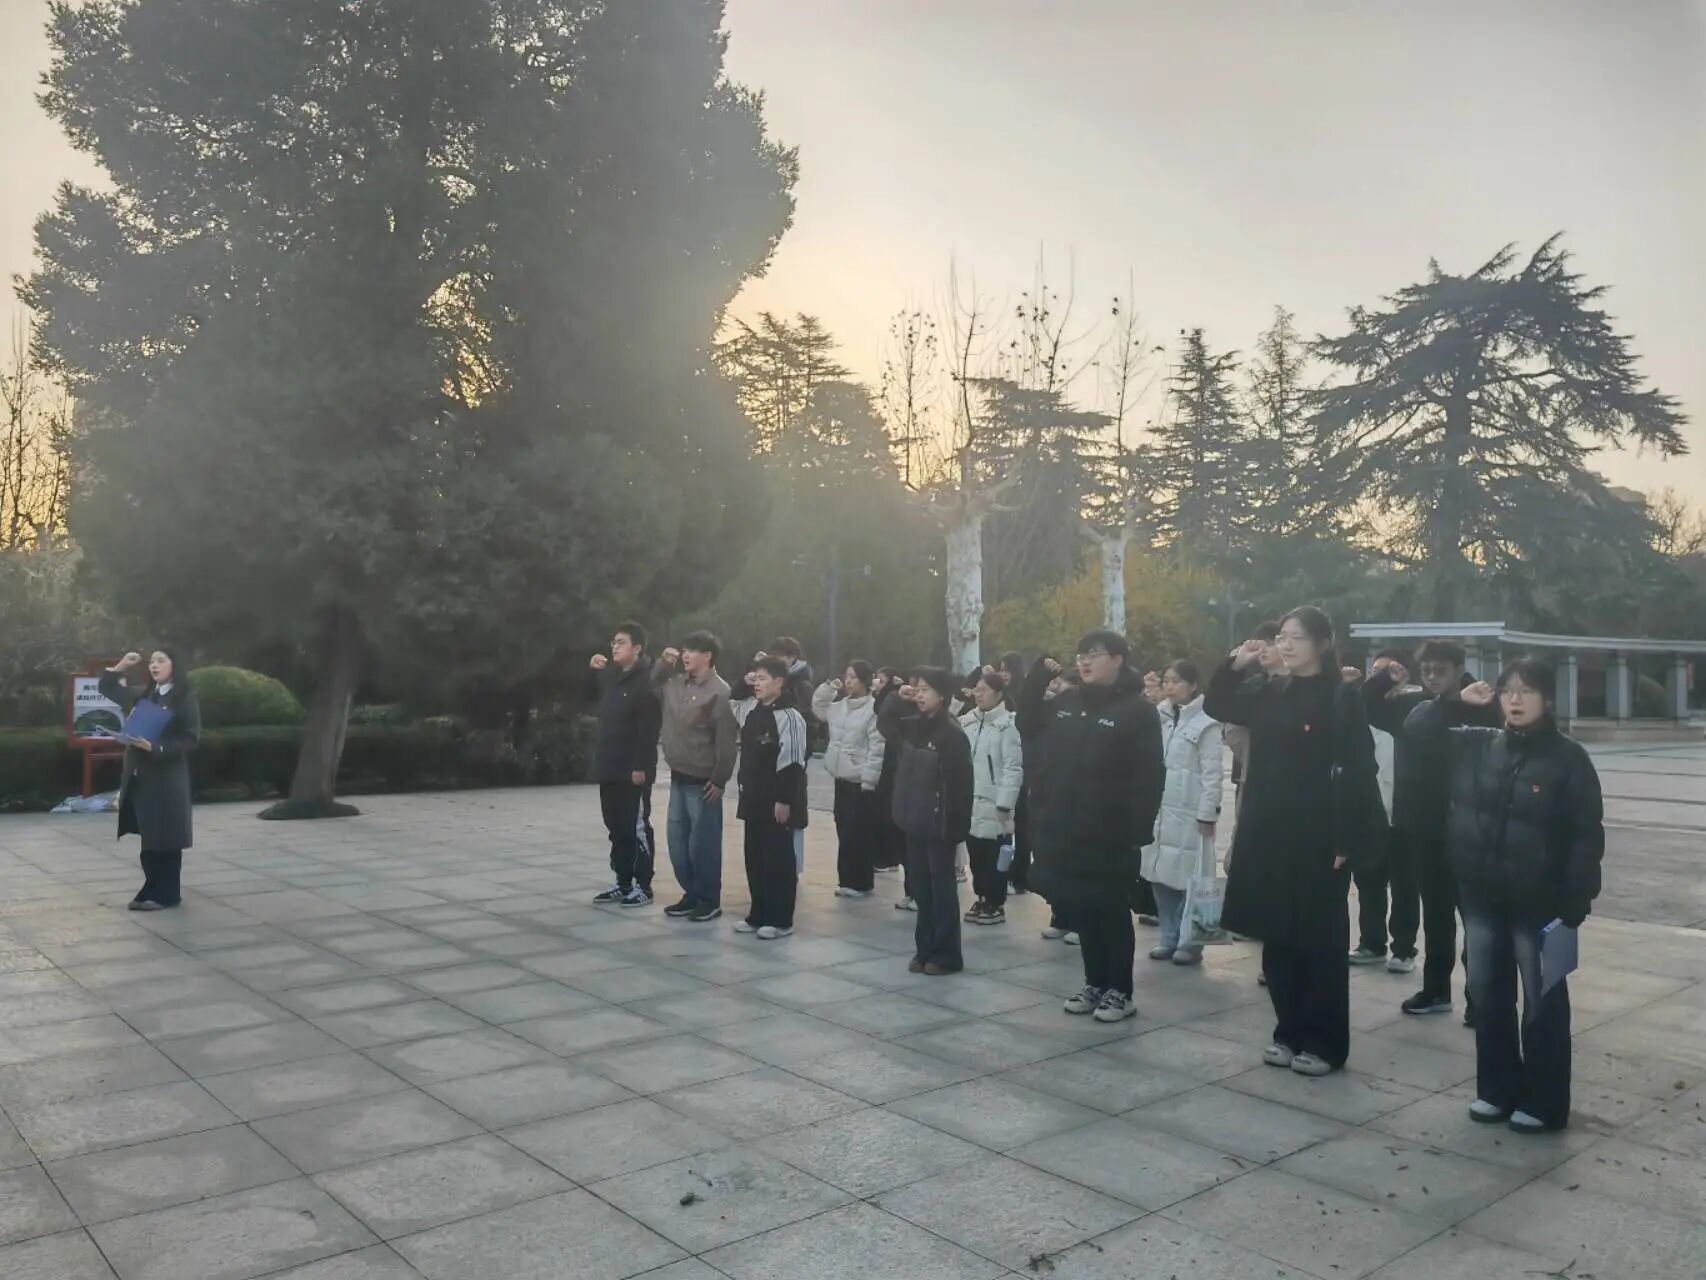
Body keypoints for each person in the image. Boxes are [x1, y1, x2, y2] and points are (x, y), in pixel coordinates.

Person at [1413, 660, 1603, 1133]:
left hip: (1543, 905)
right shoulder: (1477, 744)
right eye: (1507, 690)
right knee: (1488, 995)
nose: (1515, 700)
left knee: (1544, 1002)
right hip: (1482, 897)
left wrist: (1576, 901)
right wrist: (1453, 702)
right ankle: (1496, 1089)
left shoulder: (1569, 759)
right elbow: (1415, 735)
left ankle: (1544, 1101)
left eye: (1527, 690)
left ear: (1548, 699)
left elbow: (1586, 836)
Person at [1206, 606, 1382, 1075]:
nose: (1285, 645)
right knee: (1278, 937)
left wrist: (1347, 836)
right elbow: (1217, 704)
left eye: (1296, 637)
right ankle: (1287, 1031)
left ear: (1322, 644)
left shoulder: (1341, 698)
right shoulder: (1271, 691)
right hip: (1269, 830)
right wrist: (1236, 664)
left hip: (1319, 836)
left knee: (1318, 943)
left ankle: (1325, 1043)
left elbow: (1360, 768)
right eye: (1281, 636)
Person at [1028, 630, 1165, 1024]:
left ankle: (1120, 990)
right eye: (1081, 655)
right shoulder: (1068, 703)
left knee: (1112, 910)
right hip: (1071, 828)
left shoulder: (1138, 712)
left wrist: (1137, 830)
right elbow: (1028, 723)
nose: (1085, 661)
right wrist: (1037, 679)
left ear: (1118, 659)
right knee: (1084, 908)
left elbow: (1149, 776)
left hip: (1113, 832)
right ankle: (1094, 982)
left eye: (1095, 654)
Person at [1364, 638, 1500, 1018]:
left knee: (1474, 918)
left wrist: (1465, 704)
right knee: (1436, 915)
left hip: (1471, 827)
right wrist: (1384, 678)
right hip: (1424, 827)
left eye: (1440, 670)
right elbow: (1368, 706)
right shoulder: (1416, 706)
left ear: (1459, 670)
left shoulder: (1484, 705)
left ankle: (1481, 999)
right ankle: (1436, 990)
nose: (1432, 677)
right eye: (1426, 671)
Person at [878, 668, 974, 975]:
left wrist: (955, 830)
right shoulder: (913, 726)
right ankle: (924, 950)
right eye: (917, 689)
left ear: (942, 695)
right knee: (921, 889)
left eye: (925, 690)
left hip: (939, 826)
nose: (919, 695)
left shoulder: (952, 735)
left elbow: (961, 789)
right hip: (913, 822)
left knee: (941, 891)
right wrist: (896, 696)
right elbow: (884, 722)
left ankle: (946, 954)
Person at [99, 650, 201, 910]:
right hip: (141, 776)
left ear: (174, 665)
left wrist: (156, 747)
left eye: (161, 660)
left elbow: (190, 738)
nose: (154, 665)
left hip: (167, 778)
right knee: (150, 836)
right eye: (152, 661)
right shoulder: (145, 695)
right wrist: (122, 665)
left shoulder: (184, 698)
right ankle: (152, 888)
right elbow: (107, 687)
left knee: (166, 837)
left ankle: (167, 894)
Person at [652, 632, 739, 923]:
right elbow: (650, 685)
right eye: (684, 650)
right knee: (677, 842)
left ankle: (708, 899)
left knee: (703, 845)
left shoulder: (720, 692)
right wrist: (664, 664)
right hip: (678, 777)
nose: (685, 655)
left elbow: (726, 741)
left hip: (703, 782)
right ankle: (691, 893)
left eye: (692, 650)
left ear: (708, 656)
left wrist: (720, 779)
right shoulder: (676, 683)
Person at [1142, 660, 1224, 965]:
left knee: (1194, 879)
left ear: (1193, 685)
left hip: (1190, 815)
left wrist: (1208, 813)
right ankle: (1168, 936)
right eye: (1166, 680)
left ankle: (1192, 942)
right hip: (1160, 812)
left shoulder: (1207, 724)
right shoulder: (1159, 718)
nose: (1169, 686)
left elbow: (1212, 774)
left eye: (1176, 681)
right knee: (1160, 877)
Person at [731, 656, 810, 939]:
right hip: (752, 798)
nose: (757, 683)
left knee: (778, 859)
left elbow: (793, 762)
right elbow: (733, 701)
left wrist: (784, 799)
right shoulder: (752, 710)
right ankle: (758, 914)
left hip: (776, 800)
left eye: (763, 678)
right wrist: (744, 682)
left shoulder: (790, 717)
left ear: (779, 681)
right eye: (756, 677)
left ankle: (780, 919)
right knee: (755, 857)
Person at [586, 622, 663, 906]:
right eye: (614, 642)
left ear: (637, 648)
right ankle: (622, 881)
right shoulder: (611, 677)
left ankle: (643, 885)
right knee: (616, 826)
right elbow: (587, 698)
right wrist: (591, 672)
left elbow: (648, 729)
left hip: (633, 770)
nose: (615, 647)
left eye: (621, 642)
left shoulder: (646, 682)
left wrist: (641, 766)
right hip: (609, 765)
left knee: (636, 827)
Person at [1344, 652, 1406, 970]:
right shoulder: (1359, 717)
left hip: (1402, 816)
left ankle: (1404, 949)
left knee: (1404, 888)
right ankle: (1372, 942)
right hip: (1370, 814)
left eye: (1390, 671)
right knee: (1369, 883)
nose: (1382, 677)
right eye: (1377, 671)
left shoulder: (1409, 713)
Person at [1018, 656, 1082, 945]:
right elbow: (1026, 713)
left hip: (1077, 798)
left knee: (1076, 862)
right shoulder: (1050, 715)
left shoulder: (1085, 718)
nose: (1059, 697)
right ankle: (1061, 915)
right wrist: (1040, 675)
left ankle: (1080, 920)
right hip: (1047, 795)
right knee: (1052, 859)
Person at [812, 661, 886, 899]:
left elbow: (877, 748)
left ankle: (861, 882)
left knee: (858, 832)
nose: (848, 681)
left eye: (853, 677)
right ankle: (846, 879)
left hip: (859, 780)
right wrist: (829, 687)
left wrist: (869, 780)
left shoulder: (873, 710)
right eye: (847, 676)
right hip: (841, 777)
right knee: (843, 827)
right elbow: (818, 707)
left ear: (865, 680)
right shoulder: (839, 707)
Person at [959, 670, 1023, 926]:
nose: (979, 694)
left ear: (999, 694)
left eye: (984, 690)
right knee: (975, 853)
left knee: (995, 855)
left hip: (996, 804)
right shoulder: (967, 722)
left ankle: (995, 902)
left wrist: (1005, 802)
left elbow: (1012, 767)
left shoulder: (1008, 725)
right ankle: (982, 896)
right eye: (977, 689)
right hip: (970, 801)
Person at [1223, 619, 1282, 824]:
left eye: (1270, 643)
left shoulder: (1297, 688)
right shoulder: (1253, 686)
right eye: (1260, 643)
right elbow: (1219, 706)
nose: (1262, 649)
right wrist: (1234, 666)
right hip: (1248, 776)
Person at [998, 652, 1033, 894]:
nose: (1003, 674)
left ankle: (1020, 874)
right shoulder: (1002, 695)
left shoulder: (1022, 697)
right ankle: (1006, 871)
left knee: (1021, 821)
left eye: (1006, 669)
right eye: (1000, 670)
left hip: (1023, 763)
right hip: (1004, 764)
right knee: (1005, 821)